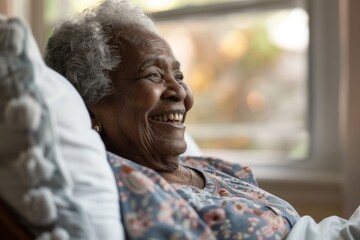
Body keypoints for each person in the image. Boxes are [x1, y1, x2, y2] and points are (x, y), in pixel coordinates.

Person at [44, 0, 300, 239]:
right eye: (154, 75)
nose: (180, 92)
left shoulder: (217, 167)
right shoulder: (130, 187)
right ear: (93, 103)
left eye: (178, 76)